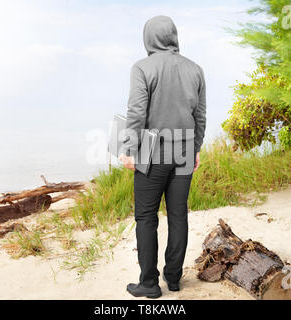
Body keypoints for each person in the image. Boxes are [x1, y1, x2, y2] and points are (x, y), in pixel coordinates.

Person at [119, 15, 206, 298]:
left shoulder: (142, 68)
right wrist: (196, 148)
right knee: (178, 215)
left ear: (148, 38)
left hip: (151, 151)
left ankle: (149, 283)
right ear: (174, 36)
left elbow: (136, 112)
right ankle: (175, 278)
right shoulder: (195, 69)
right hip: (184, 151)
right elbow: (200, 115)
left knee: (146, 217)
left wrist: (130, 149)